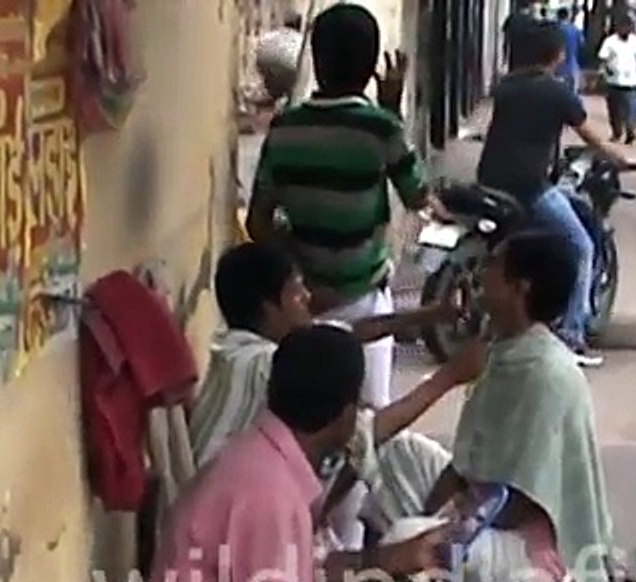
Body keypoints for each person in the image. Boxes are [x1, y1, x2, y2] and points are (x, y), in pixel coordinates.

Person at [132, 326, 438, 582]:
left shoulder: (265, 457)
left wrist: (387, 564)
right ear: (346, 414)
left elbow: (302, 575)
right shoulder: (266, 490)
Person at [190, 243, 484, 553]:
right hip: (234, 524)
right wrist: (448, 377)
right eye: (296, 291)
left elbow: (346, 333)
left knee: (391, 451)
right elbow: (364, 431)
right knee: (378, 451)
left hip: (226, 504)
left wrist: (432, 315)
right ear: (269, 308)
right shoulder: (267, 364)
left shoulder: (237, 348)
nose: (308, 298)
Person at [247, 4, 444, 409]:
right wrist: (390, 106)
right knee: (367, 422)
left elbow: (257, 221)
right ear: (372, 64)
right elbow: (418, 194)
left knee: (305, 416)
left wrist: (299, 273)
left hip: (302, 302)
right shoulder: (378, 127)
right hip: (363, 296)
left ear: (316, 60)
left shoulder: (285, 128)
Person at [421, 232, 615, 582]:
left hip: (526, 548)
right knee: (395, 453)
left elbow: (517, 497)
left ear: (518, 289)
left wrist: (434, 522)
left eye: (493, 265)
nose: (482, 272)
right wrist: (431, 512)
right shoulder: (506, 349)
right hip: (484, 507)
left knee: (407, 539)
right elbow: (473, 460)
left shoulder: (545, 374)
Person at [477, 20, 632, 367]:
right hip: (529, 187)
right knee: (581, 245)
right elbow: (590, 134)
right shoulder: (557, 91)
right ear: (557, 54)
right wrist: (619, 157)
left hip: (488, 181)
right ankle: (573, 336)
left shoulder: (507, 86)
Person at [598, 17, 636, 144]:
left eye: (627, 26)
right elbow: (603, 58)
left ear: (631, 28)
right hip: (613, 81)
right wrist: (606, 71)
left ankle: (631, 133)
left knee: (631, 110)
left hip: (630, 82)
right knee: (614, 111)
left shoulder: (635, 42)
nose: (624, 29)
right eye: (621, 26)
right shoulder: (610, 41)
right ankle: (616, 133)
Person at [254, 11, 305, 106]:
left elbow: (261, 44)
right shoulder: (301, 40)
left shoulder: (275, 33)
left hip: (265, 58)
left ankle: (272, 95)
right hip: (289, 67)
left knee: (274, 76)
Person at [556, 6, 585, 95]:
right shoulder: (575, 29)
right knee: (572, 92)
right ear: (568, 16)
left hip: (557, 64)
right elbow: (582, 44)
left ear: (558, 16)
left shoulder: (555, 29)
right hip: (573, 65)